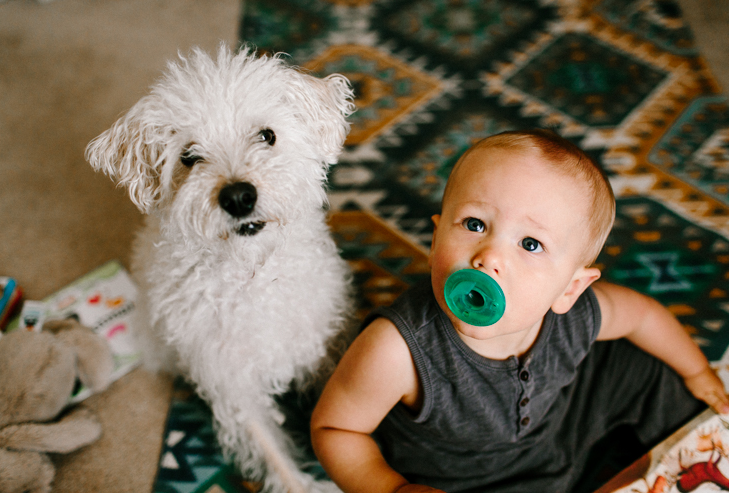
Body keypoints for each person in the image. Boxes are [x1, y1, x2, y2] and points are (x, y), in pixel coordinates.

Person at [310, 129, 729, 493]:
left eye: (530, 244)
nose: (490, 256)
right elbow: (336, 429)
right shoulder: (397, 349)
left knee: (645, 367)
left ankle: (697, 436)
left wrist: (696, 371)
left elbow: (643, 316)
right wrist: (394, 489)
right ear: (436, 239)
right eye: (475, 224)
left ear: (570, 288)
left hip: (564, 424)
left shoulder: (576, 314)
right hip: (472, 479)